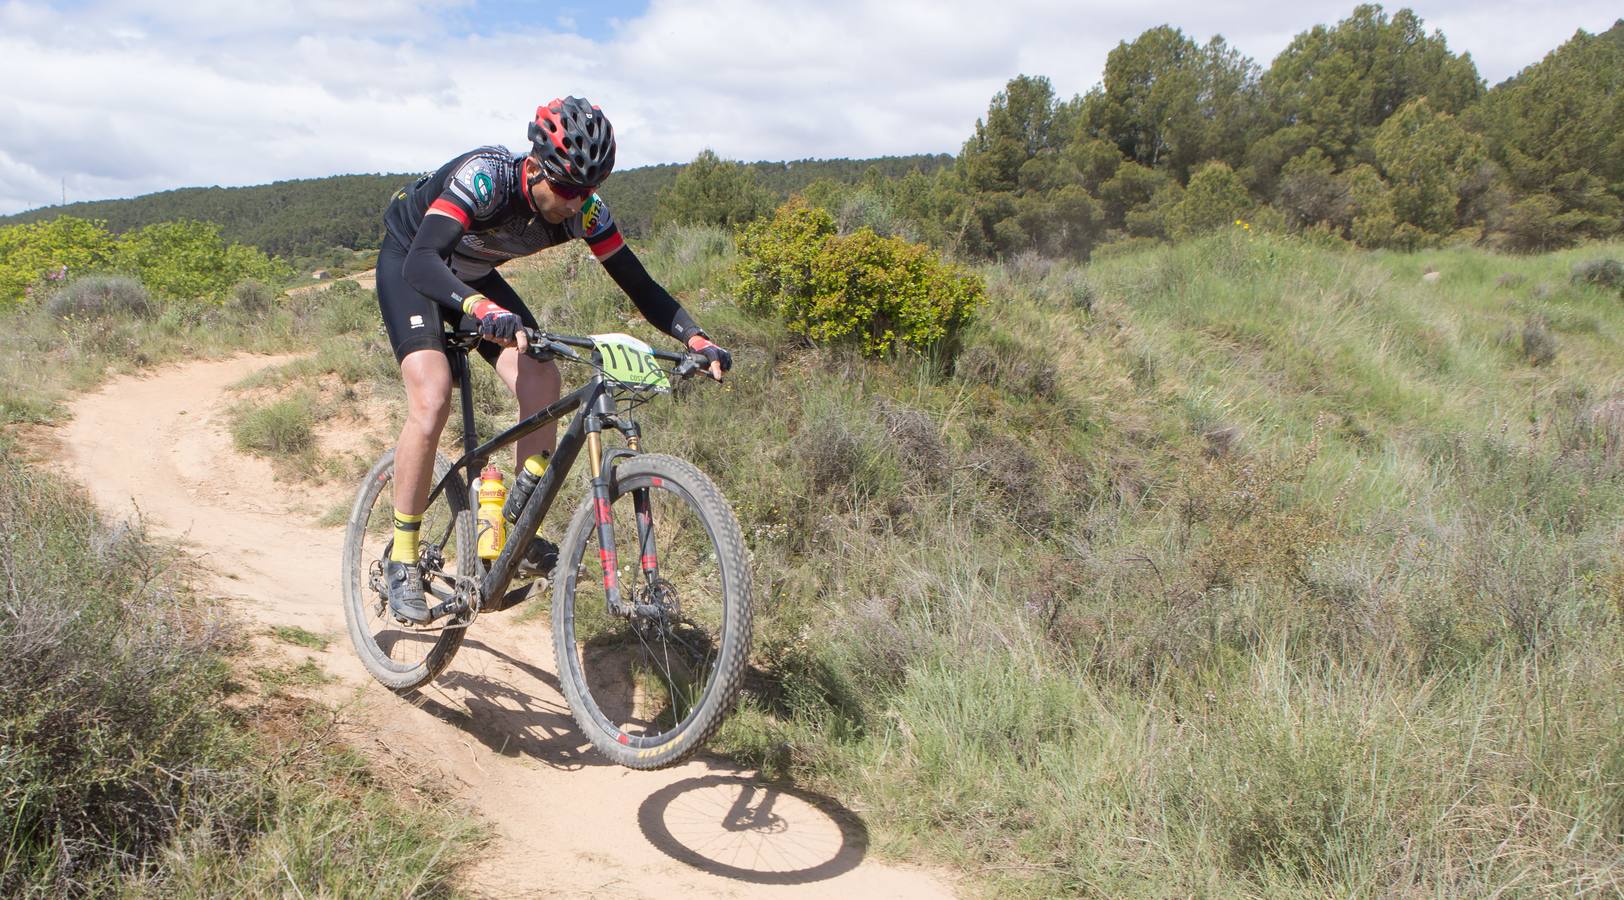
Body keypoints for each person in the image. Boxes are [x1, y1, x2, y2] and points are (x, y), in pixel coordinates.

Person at [375, 96, 733, 624]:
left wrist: (694, 336)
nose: (574, 203)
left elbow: (637, 282)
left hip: (473, 276)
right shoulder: (486, 178)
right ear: (537, 166)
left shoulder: (584, 209)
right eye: (566, 189)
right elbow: (426, 261)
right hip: (414, 261)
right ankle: (402, 556)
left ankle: (516, 525)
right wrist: (479, 308)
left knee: (542, 369)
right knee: (432, 397)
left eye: (587, 191)